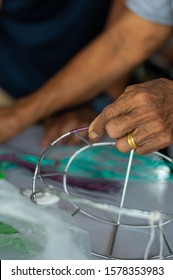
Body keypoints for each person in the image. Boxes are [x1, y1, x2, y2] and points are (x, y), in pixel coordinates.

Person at [0, 0, 172, 149]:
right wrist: (16, 117)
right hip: (10, 79)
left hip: (81, 90)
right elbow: (125, 42)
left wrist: (100, 104)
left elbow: (129, 40)